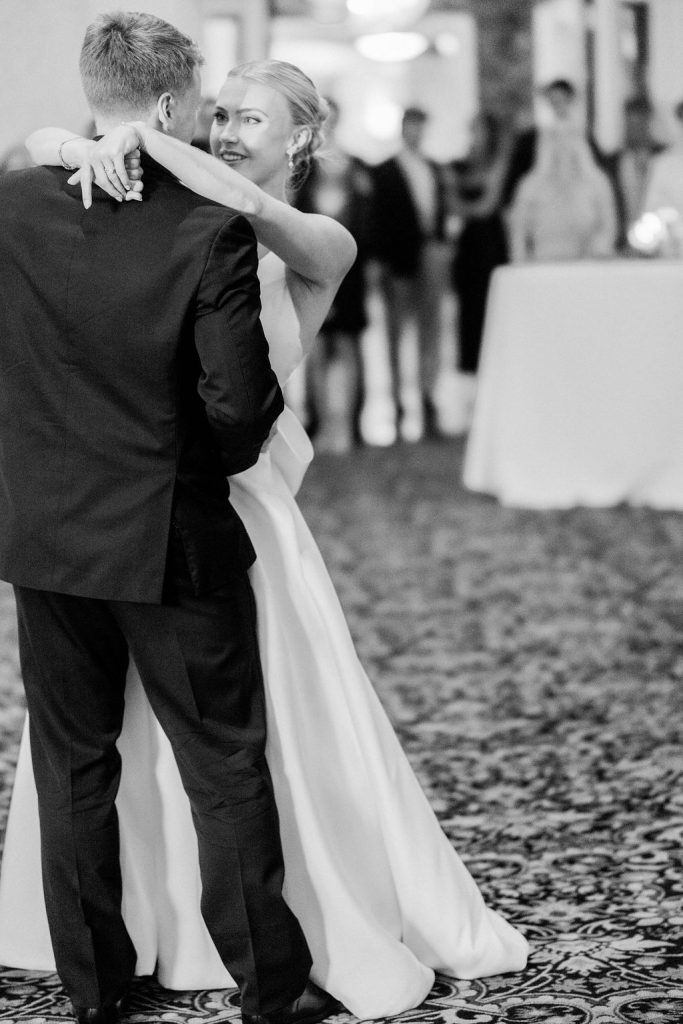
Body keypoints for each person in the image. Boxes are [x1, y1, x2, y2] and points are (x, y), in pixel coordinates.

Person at [0, 47, 529, 1024]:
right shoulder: (158, 209)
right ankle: (182, 951)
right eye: (222, 114)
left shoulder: (306, 238)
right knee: (153, 749)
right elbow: (34, 161)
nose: (229, 132)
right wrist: (84, 143)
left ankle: (250, 949)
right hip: (161, 508)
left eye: (251, 119)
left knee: (244, 748)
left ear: (302, 140)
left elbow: (248, 215)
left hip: (231, 513)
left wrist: (118, 137)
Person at [0, 13, 333, 1024]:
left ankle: (95, 989)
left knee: (72, 765)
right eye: (199, 103)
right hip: (169, 536)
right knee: (221, 760)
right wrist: (190, 467)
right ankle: (268, 989)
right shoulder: (205, 226)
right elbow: (236, 411)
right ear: (165, 102)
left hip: (45, 532)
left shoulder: (13, 204)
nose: (208, 123)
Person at [367, 106, 450, 441]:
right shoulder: (384, 171)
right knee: (396, 332)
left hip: (429, 251)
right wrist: (380, 260)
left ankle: (428, 397)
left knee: (431, 328)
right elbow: (378, 218)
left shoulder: (433, 168)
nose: (416, 132)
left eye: (420, 126)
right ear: (403, 129)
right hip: (398, 259)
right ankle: (398, 401)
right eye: (411, 126)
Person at [295, 98, 372, 453]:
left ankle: (353, 424)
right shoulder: (303, 168)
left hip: (350, 268)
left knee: (348, 341)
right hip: (313, 265)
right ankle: (318, 423)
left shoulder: (356, 166)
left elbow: (367, 220)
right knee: (317, 344)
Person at [450, 112, 511, 380]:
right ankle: (470, 366)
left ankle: (492, 363)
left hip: (489, 241)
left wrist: (460, 203)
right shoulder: (463, 163)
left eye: (479, 129)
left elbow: (487, 206)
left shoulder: (497, 162)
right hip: (468, 243)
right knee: (468, 305)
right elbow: (452, 204)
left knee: (488, 300)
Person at [509, 128, 617, 262]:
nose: (563, 143)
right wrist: (521, 265)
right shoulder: (530, 185)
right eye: (555, 137)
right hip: (541, 265)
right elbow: (518, 234)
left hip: (586, 265)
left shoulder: (597, 182)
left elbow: (608, 229)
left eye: (570, 135)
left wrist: (599, 250)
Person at [501, 78, 605, 210]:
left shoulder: (583, 136)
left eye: (562, 99)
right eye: (553, 101)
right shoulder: (534, 138)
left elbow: (590, 167)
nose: (558, 105)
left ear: (570, 100)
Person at [608, 96, 664, 251]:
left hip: (662, 245)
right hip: (621, 245)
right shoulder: (611, 163)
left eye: (640, 123)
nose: (635, 129)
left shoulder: (665, 159)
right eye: (631, 123)